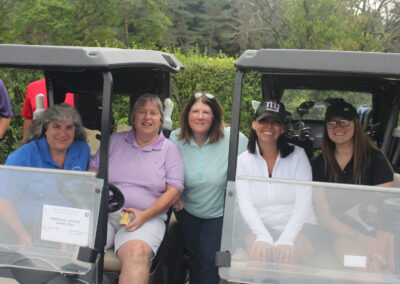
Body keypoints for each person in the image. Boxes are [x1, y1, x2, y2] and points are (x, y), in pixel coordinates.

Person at [89, 93, 184, 284]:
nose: (147, 117)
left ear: (160, 119)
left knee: (136, 253)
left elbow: (174, 190)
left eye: (153, 113)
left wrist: (145, 215)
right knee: (74, 245)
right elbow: (92, 173)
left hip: (144, 218)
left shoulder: (169, 149)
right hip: (104, 214)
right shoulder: (115, 141)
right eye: (142, 112)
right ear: (133, 118)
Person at [170, 92, 248, 284]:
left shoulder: (234, 138)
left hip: (219, 211)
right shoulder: (175, 138)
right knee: (194, 256)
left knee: (208, 257)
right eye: (195, 111)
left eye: (206, 112)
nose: (200, 116)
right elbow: (165, 170)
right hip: (187, 209)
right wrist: (173, 195)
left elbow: (250, 168)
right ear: (187, 115)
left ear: (214, 117)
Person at [311, 99, 395, 273]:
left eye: (344, 121)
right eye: (332, 123)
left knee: (393, 265)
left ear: (355, 124)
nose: (338, 127)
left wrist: (378, 256)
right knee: (359, 265)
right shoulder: (319, 165)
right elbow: (324, 216)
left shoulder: (375, 159)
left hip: (380, 231)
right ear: (326, 128)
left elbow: (387, 213)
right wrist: (361, 238)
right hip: (343, 233)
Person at [235, 100, 317, 265]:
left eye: (275, 122)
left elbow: (304, 202)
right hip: (261, 226)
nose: (269, 127)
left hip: (300, 227)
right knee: (257, 262)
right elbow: (246, 203)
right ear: (254, 124)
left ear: (283, 128)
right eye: (263, 121)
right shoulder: (243, 161)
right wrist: (262, 236)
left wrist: (287, 239)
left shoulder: (298, 156)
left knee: (286, 259)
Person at [0, 103, 90, 245]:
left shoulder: (82, 150)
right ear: (45, 129)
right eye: (56, 126)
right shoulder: (23, 156)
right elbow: (3, 201)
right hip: (32, 227)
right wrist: (23, 236)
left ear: (75, 130)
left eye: (69, 127)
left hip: (72, 224)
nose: (62, 133)